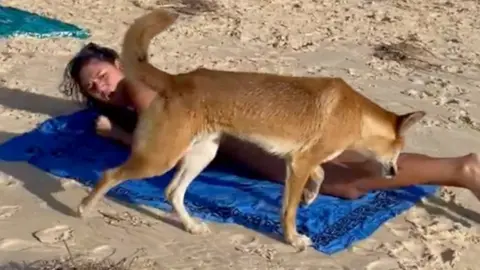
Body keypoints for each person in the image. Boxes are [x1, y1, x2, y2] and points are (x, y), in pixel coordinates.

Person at [60, 42, 480, 201]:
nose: (99, 86)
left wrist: (116, 134)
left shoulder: (139, 88)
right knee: (350, 156)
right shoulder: (137, 96)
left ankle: (460, 170)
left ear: (117, 63)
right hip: (248, 122)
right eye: (91, 87)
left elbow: (176, 148)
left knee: (344, 180)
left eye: (101, 74)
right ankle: (458, 168)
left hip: (243, 135)